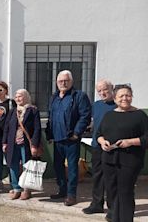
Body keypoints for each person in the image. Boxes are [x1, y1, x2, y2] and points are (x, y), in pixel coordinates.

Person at [97, 84, 148, 222]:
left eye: (128, 95)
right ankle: (114, 218)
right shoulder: (109, 115)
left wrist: (130, 142)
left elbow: (146, 138)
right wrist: (102, 142)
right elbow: (99, 134)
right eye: (121, 95)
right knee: (112, 191)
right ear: (114, 98)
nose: (125, 98)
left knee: (125, 193)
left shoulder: (139, 115)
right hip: (109, 159)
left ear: (132, 97)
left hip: (130, 160)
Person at [46, 70, 91, 206]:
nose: (63, 83)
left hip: (71, 139)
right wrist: (49, 134)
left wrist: (76, 133)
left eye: (66, 80)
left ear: (71, 82)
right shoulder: (54, 97)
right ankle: (62, 190)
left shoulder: (79, 96)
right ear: (56, 82)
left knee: (72, 168)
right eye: (60, 81)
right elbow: (51, 116)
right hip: (57, 139)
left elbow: (85, 116)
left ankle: (71, 195)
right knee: (58, 167)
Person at [82, 80, 116, 215]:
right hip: (97, 145)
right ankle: (97, 204)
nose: (102, 93)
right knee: (97, 176)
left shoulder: (118, 105)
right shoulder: (96, 105)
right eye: (99, 91)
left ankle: (113, 208)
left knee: (112, 178)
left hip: (113, 147)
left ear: (111, 89)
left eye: (105, 89)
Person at [2, 89, 41, 200]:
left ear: (26, 97)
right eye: (16, 96)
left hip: (26, 144)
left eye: (20, 96)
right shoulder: (12, 111)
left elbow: (37, 129)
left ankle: (26, 190)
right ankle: (16, 189)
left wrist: (34, 145)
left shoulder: (33, 111)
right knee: (13, 165)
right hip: (13, 144)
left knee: (27, 166)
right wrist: (4, 142)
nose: (18, 99)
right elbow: (7, 128)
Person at [0, 81, 15, 189]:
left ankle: (12, 181)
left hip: (8, 137)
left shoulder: (11, 103)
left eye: (1, 90)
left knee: (9, 159)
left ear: (6, 91)